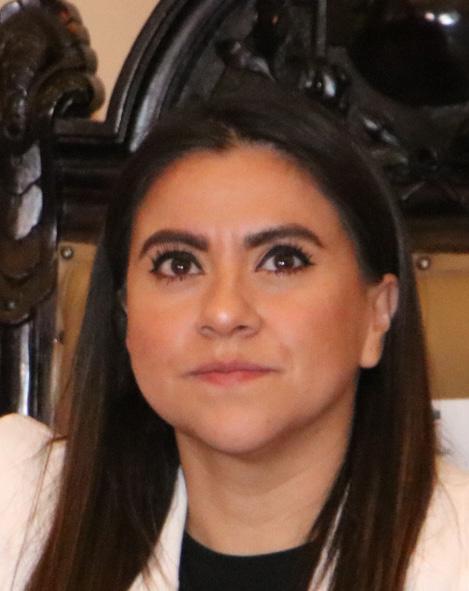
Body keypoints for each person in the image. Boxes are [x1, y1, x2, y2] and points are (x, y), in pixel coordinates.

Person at [1, 85, 468, 591]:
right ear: (125, 313)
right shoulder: (19, 506)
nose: (224, 313)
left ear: (377, 314)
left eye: (282, 260)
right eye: (179, 265)